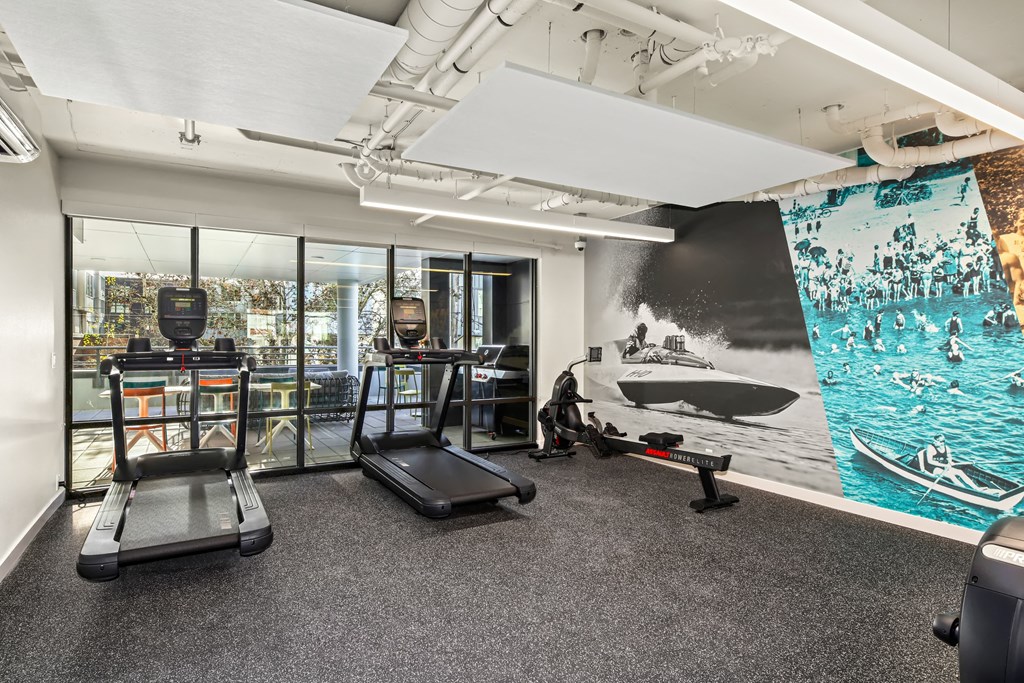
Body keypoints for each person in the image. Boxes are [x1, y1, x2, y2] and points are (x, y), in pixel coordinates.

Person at [916, 434, 991, 492]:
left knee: (960, 472)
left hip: (941, 465)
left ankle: (976, 488)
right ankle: (964, 490)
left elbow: (949, 459)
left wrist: (950, 463)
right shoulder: (930, 447)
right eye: (933, 441)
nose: (933, 443)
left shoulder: (947, 449)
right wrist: (945, 465)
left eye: (935, 442)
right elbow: (930, 461)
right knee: (951, 476)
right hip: (931, 467)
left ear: (942, 443)